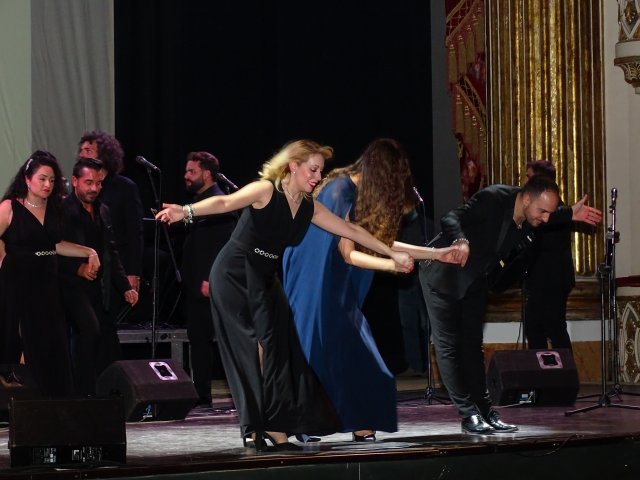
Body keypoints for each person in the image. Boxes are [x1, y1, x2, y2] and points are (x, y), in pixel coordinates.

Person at [156, 139, 419, 451]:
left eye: (320, 171)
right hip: (234, 274)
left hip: (266, 278)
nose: (318, 177)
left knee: (281, 351)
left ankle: (277, 425)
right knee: (249, 349)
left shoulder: (308, 207)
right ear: (293, 166)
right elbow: (225, 203)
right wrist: (186, 211)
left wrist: (392, 254)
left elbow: (353, 231)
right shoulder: (266, 190)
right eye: (313, 169)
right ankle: (255, 428)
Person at [282, 138, 462, 441]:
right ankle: (313, 422)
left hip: (334, 286)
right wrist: (392, 264)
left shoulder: (353, 192)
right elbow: (349, 253)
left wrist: (436, 254)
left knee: (348, 356)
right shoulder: (340, 189)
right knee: (334, 355)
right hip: (318, 283)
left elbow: (380, 242)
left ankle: (354, 424)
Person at [419, 175, 602, 434]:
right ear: (526, 199)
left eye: (550, 213)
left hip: (474, 280)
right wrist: (461, 240)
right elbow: (450, 217)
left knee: (472, 348)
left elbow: (549, 215)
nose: (545, 219)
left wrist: (571, 212)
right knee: (450, 347)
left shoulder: (531, 215)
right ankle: (468, 414)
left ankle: (486, 412)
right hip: (442, 274)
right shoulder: (494, 198)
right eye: (542, 211)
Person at [0, 151, 101, 397]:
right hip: (17, 284)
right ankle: (20, 402)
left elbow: (54, 245)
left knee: (50, 344)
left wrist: (90, 252)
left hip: (47, 284)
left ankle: (50, 403)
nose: (48, 184)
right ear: (27, 179)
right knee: (18, 343)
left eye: (52, 180)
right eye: (42, 179)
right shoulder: (10, 207)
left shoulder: (54, 208)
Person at [58, 157, 139, 395]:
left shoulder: (103, 210)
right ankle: (82, 395)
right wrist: (78, 268)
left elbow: (111, 252)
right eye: (89, 183)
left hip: (99, 289)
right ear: (75, 181)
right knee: (86, 332)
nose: (94, 188)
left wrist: (125, 286)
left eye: (98, 183)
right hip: (69, 288)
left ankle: (105, 395)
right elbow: (52, 249)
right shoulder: (62, 211)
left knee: (105, 341)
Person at [181, 151, 236, 407]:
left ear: (206, 174)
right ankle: (202, 394)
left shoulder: (218, 202)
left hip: (211, 285)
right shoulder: (199, 201)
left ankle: (240, 394)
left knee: (223, 341)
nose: (186, 176)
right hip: (197, 285)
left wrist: (211, 279)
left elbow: (225, 246)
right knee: (199, 339)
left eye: (191, 171)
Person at [78, 131, 144, 296]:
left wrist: (133, 272)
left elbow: (135, 233)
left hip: (116, 270)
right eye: (81, 150)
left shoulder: (125, 187)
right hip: (86, 269)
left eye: (88, 150)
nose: (82, 155)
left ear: (104, 155)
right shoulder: (80, 188)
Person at [523, 161, 576, 350]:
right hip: (544, 279)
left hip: (552, 280)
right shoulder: (550, 209)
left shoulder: (554, 210)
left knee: (553, 327)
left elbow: (546, 243)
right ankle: (543, 367)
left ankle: (561, 368)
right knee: (537, 327)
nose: (526, 182)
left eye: (529, 177)